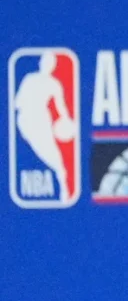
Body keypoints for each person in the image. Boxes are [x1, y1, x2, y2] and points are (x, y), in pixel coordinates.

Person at [13, 53, 78, 202]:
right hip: (27, 121)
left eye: (51, 63)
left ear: (53, 66)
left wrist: (67, 122)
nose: (47, 65)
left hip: (42, 120)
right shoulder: (29, 79)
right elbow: (17, 103)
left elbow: (62, 109)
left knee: (56, 159)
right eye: (46, 61)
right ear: (41, 63)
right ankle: (61, 183)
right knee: (47, 156)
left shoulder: (54, 84)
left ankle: (63, 189)